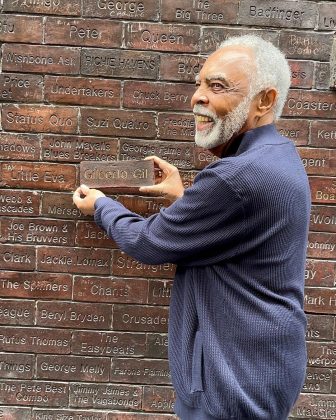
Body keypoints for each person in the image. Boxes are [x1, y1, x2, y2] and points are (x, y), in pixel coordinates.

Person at [73, 35, 311, 419]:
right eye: (198, 84)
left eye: (216, 86)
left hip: (229, 380)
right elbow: (237, 234)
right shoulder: (279, 156)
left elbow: (148, 242)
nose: (197, 96)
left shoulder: (236, 178)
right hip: (262, 364)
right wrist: (184, 200)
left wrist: (102, 205)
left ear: (264, 101)